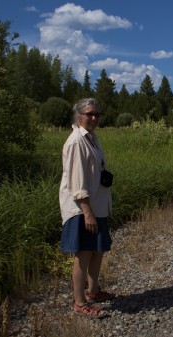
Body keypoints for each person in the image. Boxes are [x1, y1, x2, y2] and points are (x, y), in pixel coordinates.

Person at [59, 98, 115, 318]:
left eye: (96, 114)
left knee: (97, 250)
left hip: (97, 204)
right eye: (89, 114)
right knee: (83, 253)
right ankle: (80, 302)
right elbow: (76, 182)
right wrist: (87, 213)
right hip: (82, 207)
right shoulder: (76, 142)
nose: (93, 118)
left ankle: (93, 291)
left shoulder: (91, 138)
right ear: (78, 115)